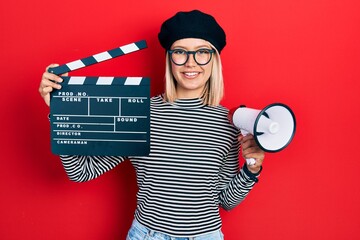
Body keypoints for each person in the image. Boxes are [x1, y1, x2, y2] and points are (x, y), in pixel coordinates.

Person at [39, 10, 265, 240]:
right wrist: (60, 112)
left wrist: (251, 168)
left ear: (214, 60)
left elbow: (225, 200)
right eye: (180, 52)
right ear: (169, 58)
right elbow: (81, 172)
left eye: (202, 52)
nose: (191, 62)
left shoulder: (228, 123)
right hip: (148, 235)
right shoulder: (140, 113)